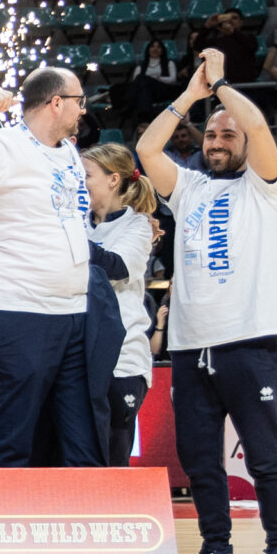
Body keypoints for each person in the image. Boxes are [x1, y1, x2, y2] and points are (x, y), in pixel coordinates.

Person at [137, 49, 277, 554]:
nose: (218, 142)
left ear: (248, 144)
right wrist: (190, 96)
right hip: (189, 347)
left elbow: (253, 120)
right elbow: (146, 148)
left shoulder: (270, 187)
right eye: (211, 135)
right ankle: (217, 553)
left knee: (265, 459)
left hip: (247, 345)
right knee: (198, 459)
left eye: (229, 136)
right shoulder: (191, 189)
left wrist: (223, 83)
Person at [0, 68, 112, 468]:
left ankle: (83, 525)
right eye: (79, 100)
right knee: (16, 437)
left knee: (82, 439)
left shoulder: (69, 154)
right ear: (56, 102)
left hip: (76, 314)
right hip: (21, 312)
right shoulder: (2, 145)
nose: (84, 109)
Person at [82, 143, 159, 464]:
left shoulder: (138, 225)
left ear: (113, 179)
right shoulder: (79, 221)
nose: (78, 182)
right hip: (80, 354)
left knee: (114, 455)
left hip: (123, 358)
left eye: (86, 175)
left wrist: (60, 236)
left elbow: (115, 266)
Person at [188, 8, 259, 87]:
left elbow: (252, 47)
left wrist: (233, 32)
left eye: (234, 18)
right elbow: (197, 46)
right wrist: (207, 26)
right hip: (223, 87)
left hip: (246, 86)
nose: (231, 21)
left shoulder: (249, 38)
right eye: (227, 18)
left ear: (241, 22)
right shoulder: (216, 42)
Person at [124, 38, 181, 124]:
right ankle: (145, 113)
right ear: (148, 50)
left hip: (162, 91)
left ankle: (129, 105)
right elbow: (135, 84)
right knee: (142, 83)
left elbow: (173, 80)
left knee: (142, 79)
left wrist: (156, 79)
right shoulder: (140, 67)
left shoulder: (169, 63)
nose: (155, 49)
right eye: (152, 47)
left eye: (158, 47)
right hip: (147, 94)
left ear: (162, 50)